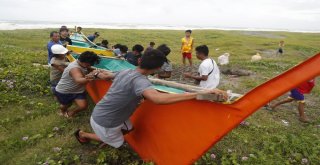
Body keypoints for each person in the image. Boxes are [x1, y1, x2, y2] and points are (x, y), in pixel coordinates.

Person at [74, 49, 227, 147]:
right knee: (119, 142)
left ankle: (107, 135)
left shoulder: (126, 72)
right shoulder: (141, 81)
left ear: (140, 61)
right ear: (158, 69)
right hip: (104, 121)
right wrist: (197, 94)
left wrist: (97, 73)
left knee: (129, 128)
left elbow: (108, 76)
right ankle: (83, 134)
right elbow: (158, 99)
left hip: (103, 113)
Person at [54, 51, 101, 118]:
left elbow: (89, 68)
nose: (90, 65)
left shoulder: (81, 63)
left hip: (78, 90)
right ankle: (62, 111)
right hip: (65, 91)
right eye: (89, 64)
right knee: (66, 105)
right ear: (85, 62)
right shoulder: (74, 68)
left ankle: (71, 112)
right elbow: (79, 80)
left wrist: (99, 70)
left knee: (83, 106)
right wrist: (92, 76)